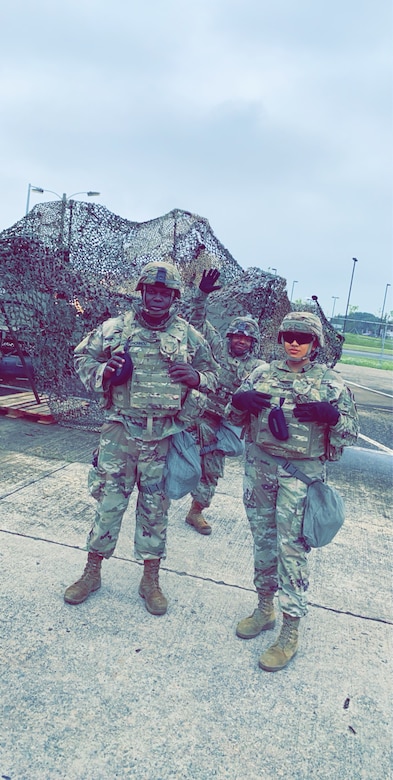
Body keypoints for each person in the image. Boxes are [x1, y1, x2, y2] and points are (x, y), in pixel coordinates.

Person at [64, 260, 218, 615]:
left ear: (174, 297)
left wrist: (196, 378)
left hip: (162, 436)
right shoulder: (116, 329)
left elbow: (214, 373)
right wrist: (106, 373)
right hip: (120, 431)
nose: (157, 298)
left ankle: (150, 580)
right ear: (142, 292)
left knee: (154, 509)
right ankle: (92, 572)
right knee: (108, 503)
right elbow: (81, 358)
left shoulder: (188, 336)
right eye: (151, 291)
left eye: (165, 293)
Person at [228, 311, 359, 671]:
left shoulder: (331, 384)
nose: (294, 343)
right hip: (260, 469)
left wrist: (332, 417)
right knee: (263, 541)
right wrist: (240, 403)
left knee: (293, 550)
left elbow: (350, 433)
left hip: (299, 476)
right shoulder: (261, 374)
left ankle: (290, 631)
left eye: (303, 337)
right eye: (288, 335)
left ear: (315, 344)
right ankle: (264, 608)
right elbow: (233, 415)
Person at [185, 268, 265, 535]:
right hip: (198, 416)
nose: (240, 341)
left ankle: (196, 511)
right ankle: (154, 499)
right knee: (167, 453)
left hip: (226, 425)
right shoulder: (216, 349)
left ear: (252, 342)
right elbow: (197, 322)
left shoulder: (258, 368)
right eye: (237, 336)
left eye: (246, 338)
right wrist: (201, 295)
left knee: (212, 469)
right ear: (230, 337)